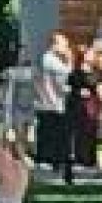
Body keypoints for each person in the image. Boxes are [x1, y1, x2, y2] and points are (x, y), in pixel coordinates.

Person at [33, 33, 71, 169]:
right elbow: (66, 76)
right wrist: (69, 59)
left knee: (51, 131)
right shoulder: (50, 60)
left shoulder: (52, 59)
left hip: (51, 101)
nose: (66, 47)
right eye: (64, 44)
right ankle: (46, 159)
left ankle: (51, 158)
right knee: (49, 131)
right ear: (54, 44)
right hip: (50, 102)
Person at [65, 49, 102, 177]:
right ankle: (81, 160)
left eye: (93, 54)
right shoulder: (75, 73)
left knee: (91, 133)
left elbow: (99, 88)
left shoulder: (96, 73)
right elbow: (69, 90)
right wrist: (78, 92)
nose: (93, 56)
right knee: (81, 133)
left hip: (92, 106)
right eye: (90, 54)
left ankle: (91, 161)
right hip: (78, 106)